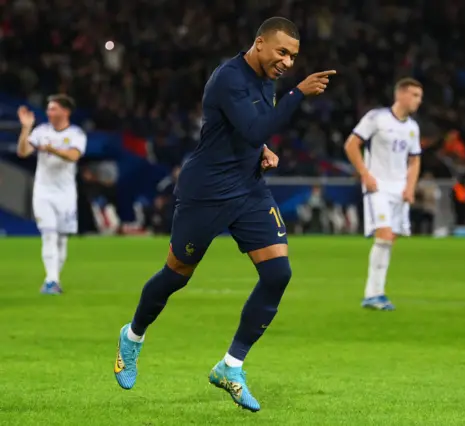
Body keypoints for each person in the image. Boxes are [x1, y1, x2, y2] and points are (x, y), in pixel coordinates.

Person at [113, 17, 335, 412]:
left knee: (278, 273)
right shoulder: (228, 78)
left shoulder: (266, 78)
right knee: (175, 276)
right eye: (282, 52)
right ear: (260, 43)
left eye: (294, 57)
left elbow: (252, 132)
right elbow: (250, 127)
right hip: (207, 193)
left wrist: (262, 148)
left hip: (249, 189)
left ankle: (231, 366)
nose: (287, 62)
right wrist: (297, 96)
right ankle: (133, 335)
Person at [343, 78, 423, 311]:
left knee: (389, 240)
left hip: (399, 189)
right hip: (377, 186)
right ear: (401, 95)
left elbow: (415, 159)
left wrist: (410, 187)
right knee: (385, 235)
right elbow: (351, 145)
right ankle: (372, 294)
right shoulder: (377, 118)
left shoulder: (412, 128)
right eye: (415, 95)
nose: (419, 101)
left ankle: (376, 293)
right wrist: (365, 174)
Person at [16, 95, 87, 295]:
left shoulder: (76, 134)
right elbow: (23, 152)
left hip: (65, 194)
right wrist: (26, 128)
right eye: (48, 109)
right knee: (48, 234)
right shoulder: (41, 132)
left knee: (61, 238)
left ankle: (54, 278)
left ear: (66, 111)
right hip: (43, 192)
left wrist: (51, 149)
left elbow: (74, 156)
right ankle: (51, 281)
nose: (49, 113)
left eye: (53, 109)